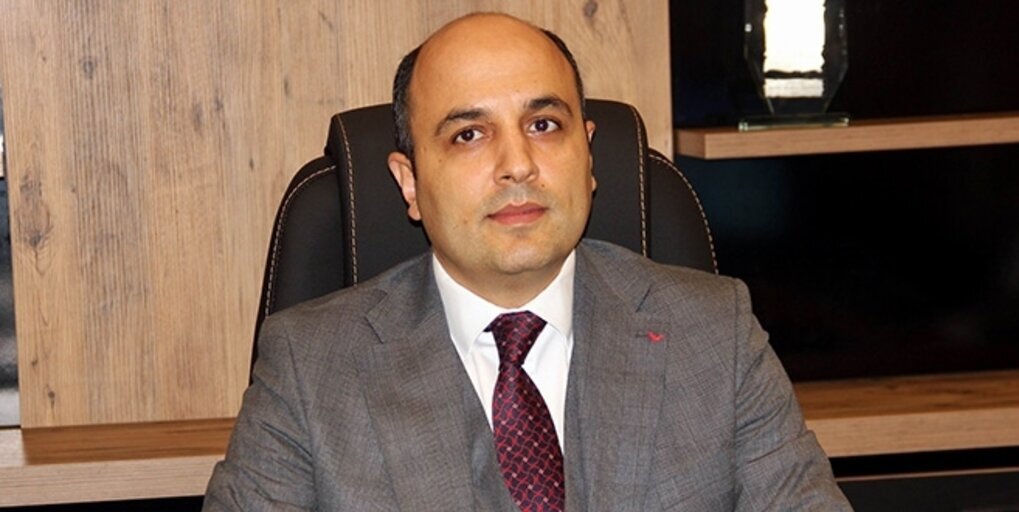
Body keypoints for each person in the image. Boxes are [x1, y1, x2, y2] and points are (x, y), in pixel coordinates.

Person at [204, 12, 852, 511]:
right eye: (469, 134)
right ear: (409, 182)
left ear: (588, 156)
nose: (517, 165)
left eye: (543, 125)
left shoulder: (715, 334)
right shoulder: (309, 368)